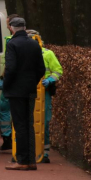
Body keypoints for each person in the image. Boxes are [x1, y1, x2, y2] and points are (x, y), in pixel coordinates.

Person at [2, 17, 45, 171]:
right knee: (29, 125)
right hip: (29, 90)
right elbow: (41, 68)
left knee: (19, 126)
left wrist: (6, 85)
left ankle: (22, 160)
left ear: (12, 28)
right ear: (24, 27)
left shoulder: (12, 44)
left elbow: (11, 68)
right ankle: (31, 160)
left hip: (16, 91)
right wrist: (32, 82)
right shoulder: (34, 44)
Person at [26, 30, 63, 163]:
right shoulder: (22, 53)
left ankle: (44, 153)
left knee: (44, 122)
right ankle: (28, 151)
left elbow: (58, 70)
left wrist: (50, 80)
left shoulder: (48, 54)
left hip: (43, 92)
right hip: (27, 91)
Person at [0, 13, 19, 151]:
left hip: (10, 80)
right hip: (21, 81)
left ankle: (8, 137)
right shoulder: (32, 40)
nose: (6, 27)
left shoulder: (10, 41)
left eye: (7, 25)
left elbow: (10, 63)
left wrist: (3, 77)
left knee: (5, 109)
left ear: (12, 26)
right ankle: (16, 139)